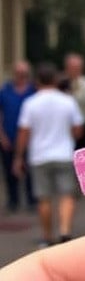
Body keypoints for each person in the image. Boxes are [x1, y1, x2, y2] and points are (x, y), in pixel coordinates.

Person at [13, 62, 83, 246]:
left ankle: (47, 236)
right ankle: (65, 230)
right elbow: (77, 129)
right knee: (66, 195)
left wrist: (18, 156)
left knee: (44, 198)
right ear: (55, 79)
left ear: (37, 80)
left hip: (39, 155)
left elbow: (24, 132)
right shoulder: (67, 101)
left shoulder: (30, 103)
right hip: (63, 153)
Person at [0, 59, 37, 212]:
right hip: (8, 137)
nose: (21, 76)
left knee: (30, 172)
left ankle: (31, 201)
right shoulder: (5, 91)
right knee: (9, 172)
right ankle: (13, 201)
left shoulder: (34, 91)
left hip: (30, 138)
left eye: (24, 73)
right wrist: (2, 136)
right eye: (19, 73)